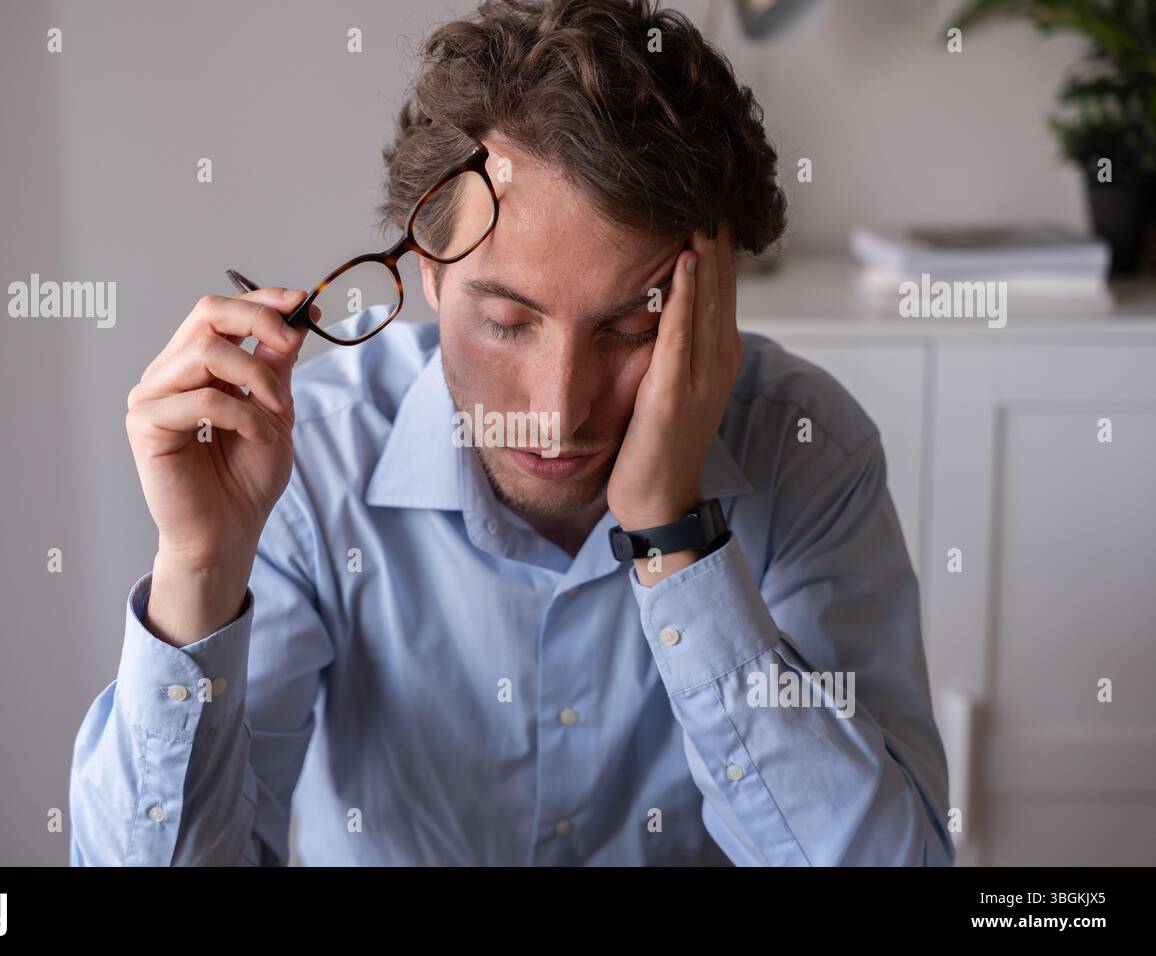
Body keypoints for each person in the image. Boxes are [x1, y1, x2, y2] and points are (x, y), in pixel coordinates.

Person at [69, 0, 953, 866]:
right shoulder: (305, 463)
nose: (557, 409)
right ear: (431, 278)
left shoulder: (807, 453)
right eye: (506, 321)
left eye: (630, 330)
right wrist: (199, 570)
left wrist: (675, 536)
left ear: (712, 306)